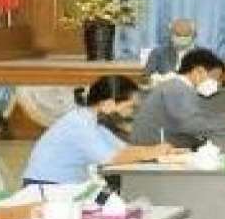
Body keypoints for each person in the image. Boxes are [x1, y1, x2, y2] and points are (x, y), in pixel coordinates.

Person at [21, 75, 179, 185]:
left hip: (65, 186)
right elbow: (111, 158)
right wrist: (153, 152)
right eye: (129, 107)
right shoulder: (80, 124)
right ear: (109, 104)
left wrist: (164, 151)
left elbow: (124, 149)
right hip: (46, 186)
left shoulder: (92, 122)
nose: (130, 113)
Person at [131, 48, 225, 147]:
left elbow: (199, 116)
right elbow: (192, 124)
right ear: (198, 71)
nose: (217, 83)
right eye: (215, 77)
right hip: (156, 150)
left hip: (162, 145)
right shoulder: (177, 89)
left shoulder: (181, 87)